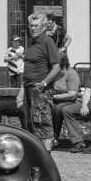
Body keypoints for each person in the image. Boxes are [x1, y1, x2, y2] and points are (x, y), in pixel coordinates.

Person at [23, 13, 61, 151]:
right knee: (32, 123)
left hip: (40, 89)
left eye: (36, 26)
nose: (33, 28)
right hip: (29, 87)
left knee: (43, 123)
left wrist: (43, 84)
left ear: (44, 27)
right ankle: (37, 155)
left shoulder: (47, 41)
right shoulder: (31, 41)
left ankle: (46, 156)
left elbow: (56, 67)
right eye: (31, 25)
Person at [50, 55, 80, 146]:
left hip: (68, 100)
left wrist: (54, 97)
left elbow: (72, 94)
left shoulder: (71, 73)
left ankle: (54, 137)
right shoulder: (54, 73)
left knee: (57, 109)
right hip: (54, 97)